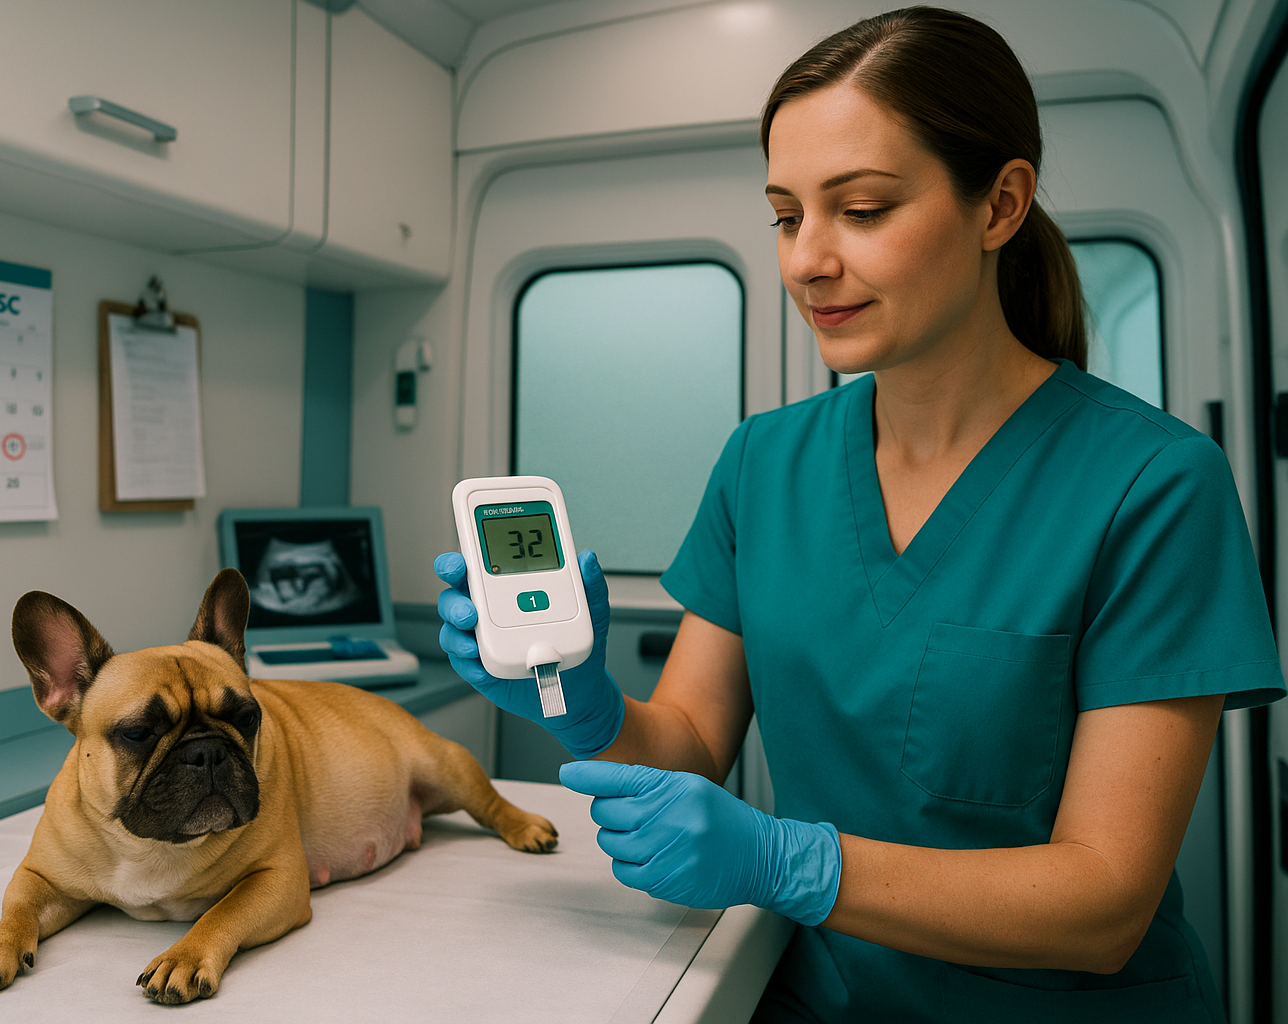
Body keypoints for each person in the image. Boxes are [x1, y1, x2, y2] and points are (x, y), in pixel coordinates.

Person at [433, 7, 1285, 1021]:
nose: (805, 261)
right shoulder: (764, 463)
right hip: (809, 997)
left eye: (864, 209)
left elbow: (1105, 902)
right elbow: (694, 743)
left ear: (1000, 205)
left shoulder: (1153, 484)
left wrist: (796, 861)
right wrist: (589, 706)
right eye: (787, 216)